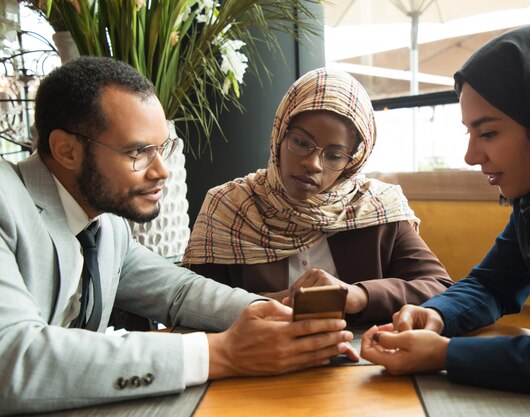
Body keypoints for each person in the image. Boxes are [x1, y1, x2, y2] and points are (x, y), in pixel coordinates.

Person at [0, 57, 358, 415]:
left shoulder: (106, 227)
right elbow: (12, 358)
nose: (162, 171)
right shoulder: (6, 198)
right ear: (67, 150)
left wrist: (273, 316)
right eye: (138, 152)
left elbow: (180, 291)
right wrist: (222, 353)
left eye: (162, 149)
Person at [360, 25, 530, 401]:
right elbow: (493, 283)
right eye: (469, 132)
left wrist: (448, 354)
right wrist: (436, 315)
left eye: (488, 134)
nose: (470, 156)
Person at [183, 68, 453, 326]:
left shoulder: (379, 207)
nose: (312, 164)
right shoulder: (229, 205)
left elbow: (438, 287)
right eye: (301, 143)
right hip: (250, 363)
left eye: (334, 155)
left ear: (353, 161)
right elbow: (190, 302)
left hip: (366, 364)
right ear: (279, 134)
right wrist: (271, 304)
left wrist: (356, 295)